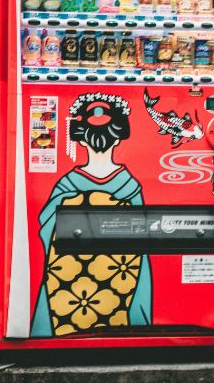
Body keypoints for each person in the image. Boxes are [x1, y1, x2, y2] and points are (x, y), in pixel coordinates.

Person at [32, 93, 152, 338]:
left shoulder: (66, 186)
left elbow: (44, 228)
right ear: (119, 138)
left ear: (80, 140)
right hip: (120, 294)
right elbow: (144, 246)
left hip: (65, 299)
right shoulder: (130, 186)